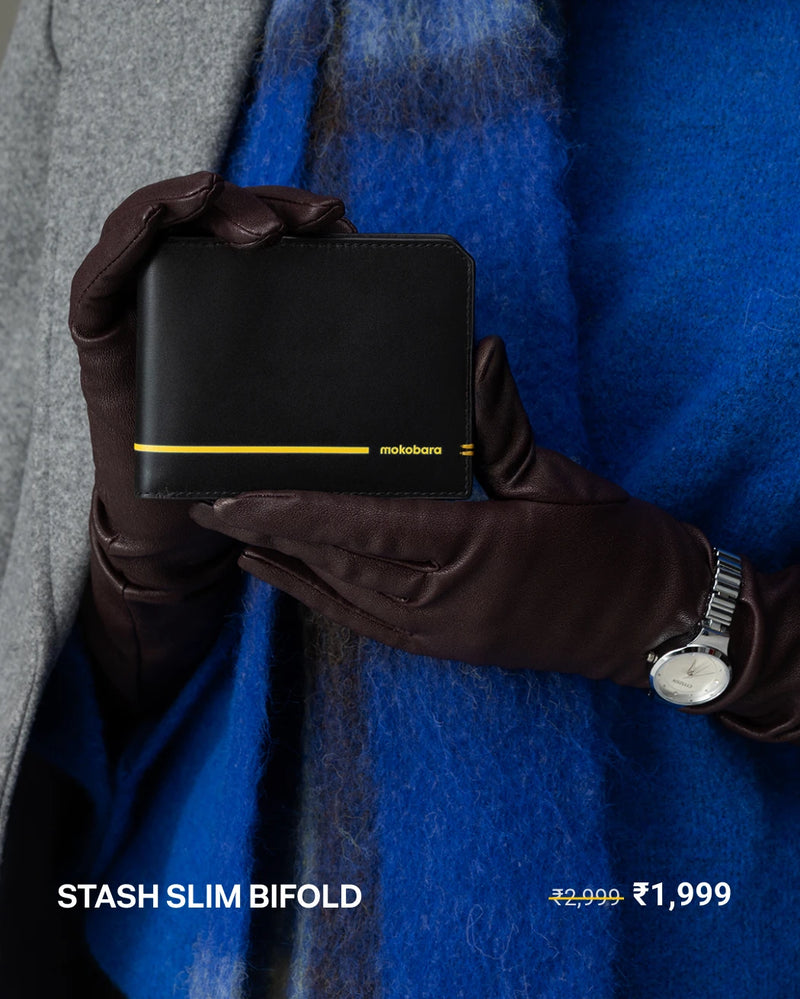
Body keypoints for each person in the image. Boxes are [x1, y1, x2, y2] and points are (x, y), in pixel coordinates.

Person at [2, 1, 800, 996]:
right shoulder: (108, 21)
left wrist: (710, 622)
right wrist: (145, 572)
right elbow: (41, 685)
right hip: (187, 951)